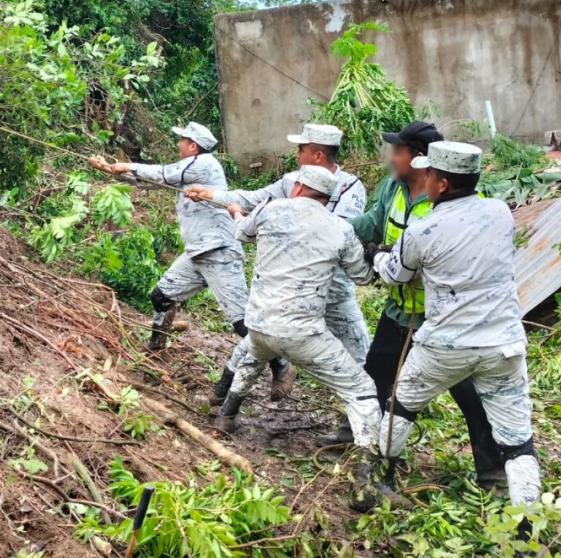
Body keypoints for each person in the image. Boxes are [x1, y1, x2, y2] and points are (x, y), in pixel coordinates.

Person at [367, 141, 541, 515]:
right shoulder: (500, 212)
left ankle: (379, 479)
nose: (424, 179)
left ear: (440, 184)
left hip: (445, 345)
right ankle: (528, 530)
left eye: (428, 174)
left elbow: (396, 275)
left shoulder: (423, 229)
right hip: (504, 344)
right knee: (518, 443)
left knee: (401, 405)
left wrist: (376, 255)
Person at [212, 165, 395, 511]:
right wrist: (375, 252)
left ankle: (225, 418)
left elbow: (241, 232)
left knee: (253, 356)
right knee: (362, 391)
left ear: (297, 187)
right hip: (303, 333)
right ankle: (365, 484)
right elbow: (362, 276)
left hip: (261, 323)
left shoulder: (269, 209)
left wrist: (235, 210)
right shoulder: (339, 228)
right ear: (329, 198)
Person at [343, 121, 507, 486]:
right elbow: (371, 222)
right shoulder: (391, 189)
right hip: (399, 309)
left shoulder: (461, 207)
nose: (390, 158)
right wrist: (335, 229)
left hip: (441, 319)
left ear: (421, 161)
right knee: (376, 377)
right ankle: (357, 434)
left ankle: (492, 468)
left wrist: (389, 259)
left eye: (397, 151)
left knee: (468, 394)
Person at [185, 123, 369, 402]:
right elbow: (253, 199)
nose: (296, 154)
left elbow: (339, 235)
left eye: (302, 149)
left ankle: (364, 415)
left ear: (318, 155)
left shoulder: (352, 189)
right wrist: (211, 195)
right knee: (259, 340)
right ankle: (223, 397)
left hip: (333, 288)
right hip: (290, 288)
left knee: (359, 350)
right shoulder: (293, 180)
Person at [86, 122, 256, 356]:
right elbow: (150, 182)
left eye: (182, 140)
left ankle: (280, 366)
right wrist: (109, 169)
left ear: (193, 146)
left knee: (241, 322)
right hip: (198, 252)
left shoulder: (203, 163)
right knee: (162, 295)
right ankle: (156, 349)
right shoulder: (190, 168)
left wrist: (126, 165)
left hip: (219, 251)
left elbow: (162, 173)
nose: (178, 144)